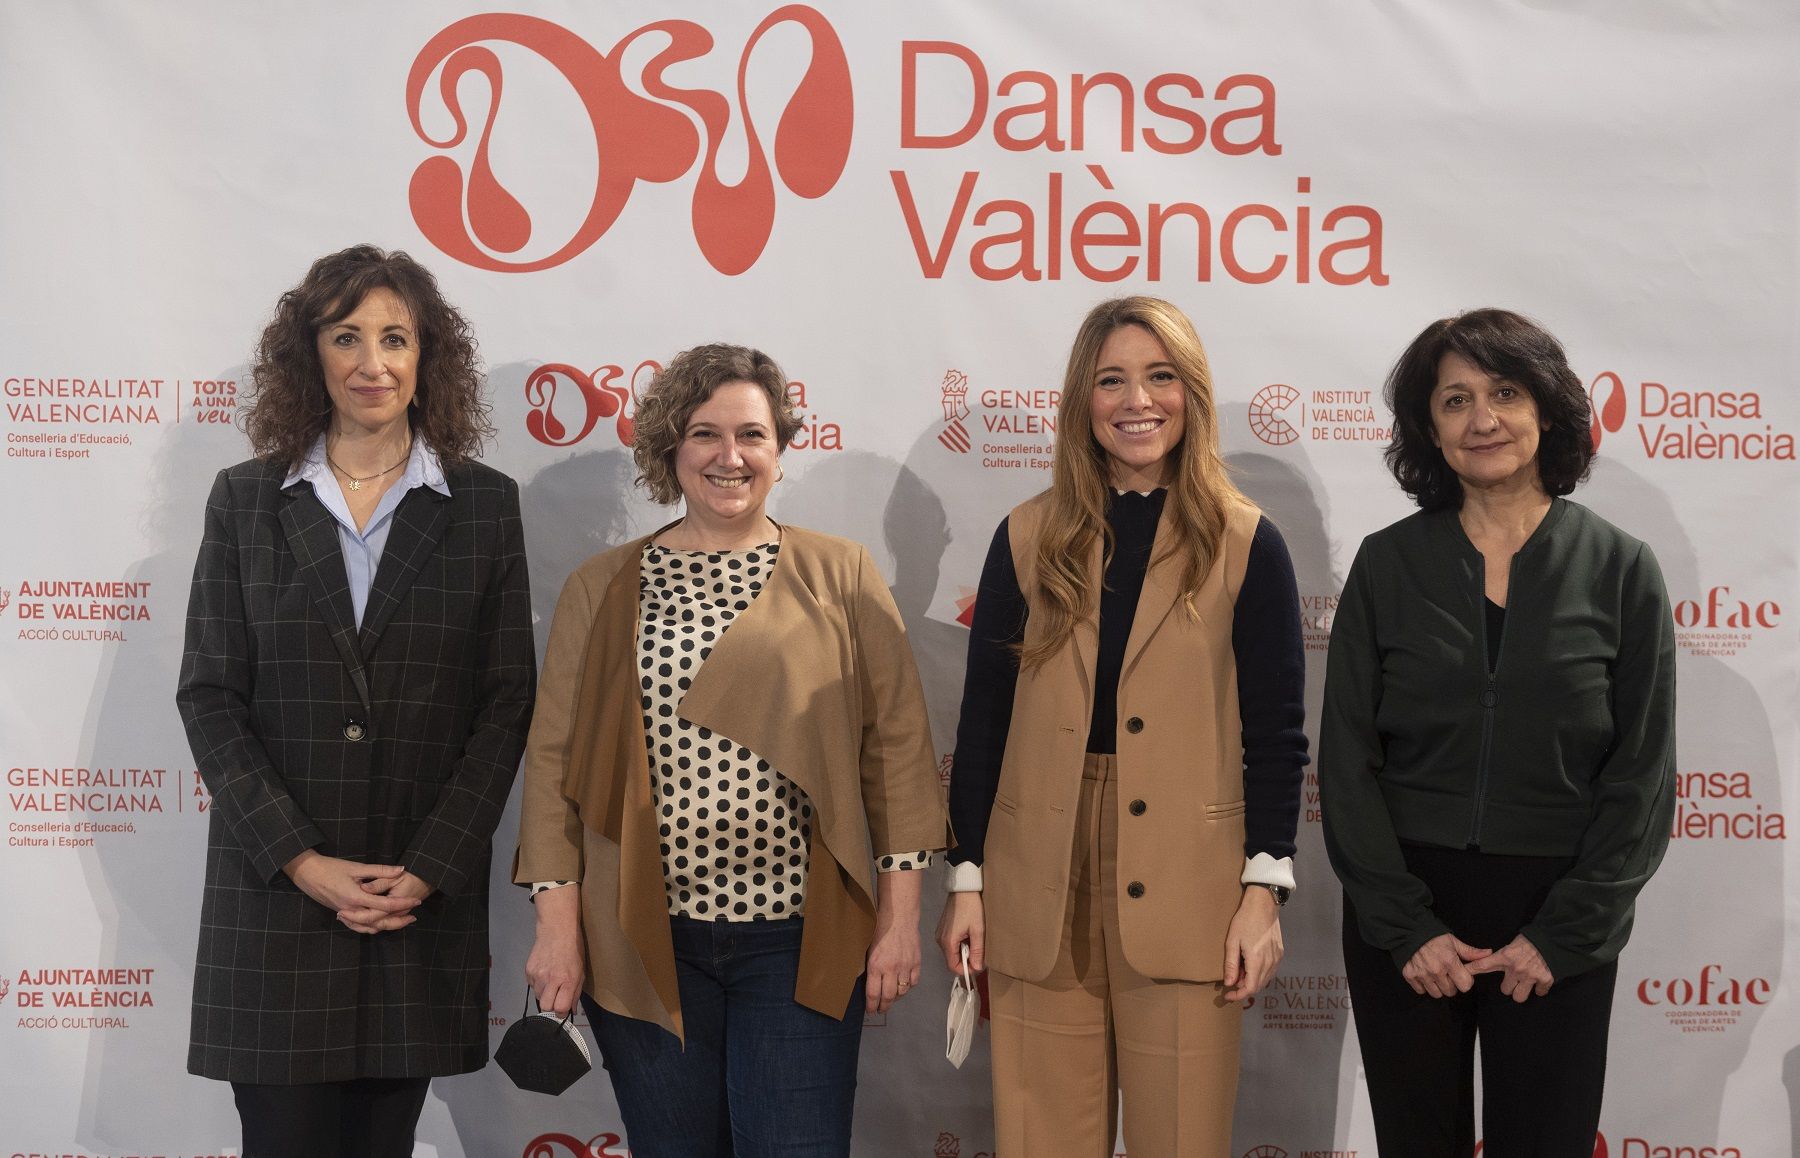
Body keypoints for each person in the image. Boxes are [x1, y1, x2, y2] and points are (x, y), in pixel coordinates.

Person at [516, 342, 947, 1158]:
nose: (729, 456)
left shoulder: (842, 574)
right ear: (670, 450)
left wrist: (898, 920)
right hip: (641, 939)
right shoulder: (602, 586)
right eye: (705, 434)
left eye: (751, 434)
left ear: (780, 452)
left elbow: (897, 753)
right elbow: (552, 766)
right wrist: (558, 928)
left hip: (796, 939)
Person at [176, 245, 536, 1157]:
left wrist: (431, 865)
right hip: (279, 910)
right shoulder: (245, 500)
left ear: (427, 359)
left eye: (395, 338)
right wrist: (302, 861)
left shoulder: (484, 506)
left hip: (410, 906)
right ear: (313, 355)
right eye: (347, 337)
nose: (372, 363)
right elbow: (211, 698)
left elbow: (505, 702)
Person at [936, 296, 1308, 1158]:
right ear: (1082, 401)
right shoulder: (1028, 536)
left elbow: (1279, 734)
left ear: (1192, 393)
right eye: (1112, 380)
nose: (1137, 400)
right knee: (1040, 1141)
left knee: (1181, 1138)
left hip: (1192, 887)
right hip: (1037, 877)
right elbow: (985, 717)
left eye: (1159, 376)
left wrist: (1263, 891)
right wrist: (966, 876)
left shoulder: (1247, 540)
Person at [1320, 308, 1676, 1155]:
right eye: (1455, 400)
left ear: (1545, 411)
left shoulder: (1622, 567)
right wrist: (1404, 927)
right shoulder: (1387, 563)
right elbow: (1347, 763)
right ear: (1429, 429)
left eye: (1505, 393)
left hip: (1557, 916)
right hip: (1407, 912)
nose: (1482, 419)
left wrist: (1563, 935)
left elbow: (1642, 774)